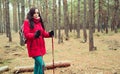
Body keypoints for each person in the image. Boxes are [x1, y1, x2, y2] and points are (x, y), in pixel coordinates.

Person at [23, 7, 54, 74]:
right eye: (34, 13)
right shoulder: (27, 22)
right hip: (33, 48)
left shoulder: (39, 22)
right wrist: (34, 35)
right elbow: (26, 34)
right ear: (31, 13)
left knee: (37, 65)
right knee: (42, 64)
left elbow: (43, 33)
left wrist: (49, 34)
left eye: (37, 13)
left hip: (40, 47)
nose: (36, 14)